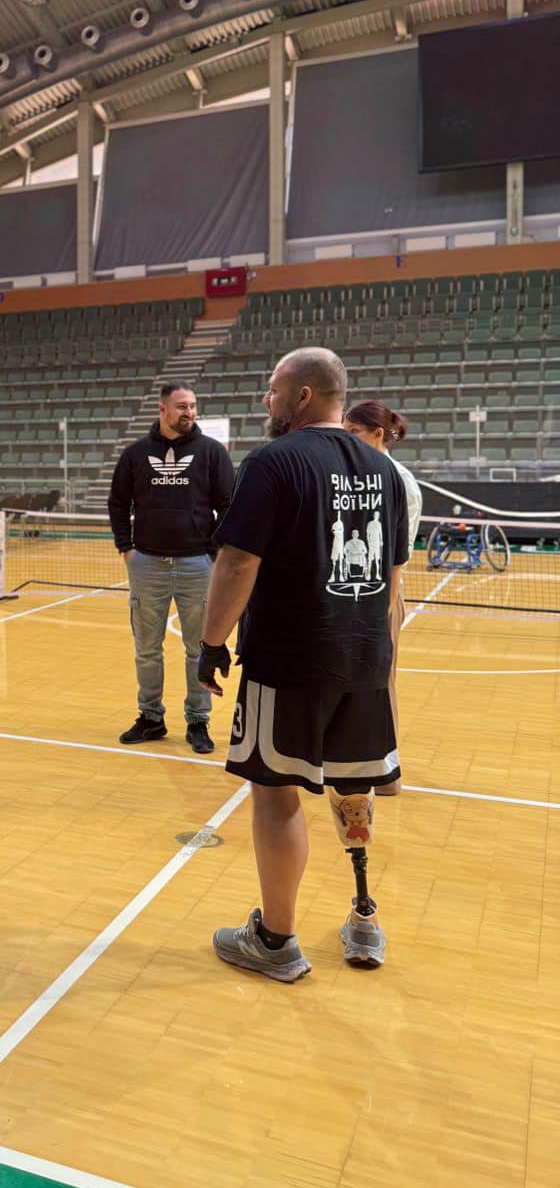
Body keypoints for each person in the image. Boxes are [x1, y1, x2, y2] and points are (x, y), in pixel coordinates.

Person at [197, 348, 408, 982]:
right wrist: (382, 664)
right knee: (353, 789)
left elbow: (238, 562)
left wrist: (211, 643)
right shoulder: (384, 470)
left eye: (273, 390)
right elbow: (394, 581)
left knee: (276, 794)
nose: (267, 400)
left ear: (304, 395)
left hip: (291, 660)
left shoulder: (274, 461)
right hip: (364, 661)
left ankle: (275, 938)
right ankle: (363, 915)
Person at [107, 381, 234, 754]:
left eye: (192, 405)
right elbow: (118, 503)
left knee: (199, 649)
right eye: (181, 406)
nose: (189, 412)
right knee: (147, 649)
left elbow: (229, 504)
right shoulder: (136, 454)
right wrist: (126, 549)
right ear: (162, 409)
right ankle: (151, 717)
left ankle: (198, 720)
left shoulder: (211, 453)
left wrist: (212, 551)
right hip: (147, 565)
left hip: (198, 565)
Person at [344, 400, 423, 797]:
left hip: (382, 594)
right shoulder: (353, 476)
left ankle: (387, 773)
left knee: (379, 682)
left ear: (378, 434)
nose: (346, 440)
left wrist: (384, 610)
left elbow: (397, 560)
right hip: (349, 591)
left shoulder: (400, 481)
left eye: (354, 432)